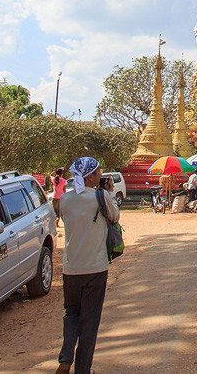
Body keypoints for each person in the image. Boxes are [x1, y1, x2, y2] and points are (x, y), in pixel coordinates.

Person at [53, 157, 119, 374]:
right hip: (95, 268)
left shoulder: (65, 199)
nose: (101, 176)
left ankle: (66, 356)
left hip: (71, 269)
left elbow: (63, 215)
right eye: (99, 173)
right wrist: (108, 192)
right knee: (90, 320)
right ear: (90, 176)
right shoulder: (100, 197)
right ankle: (83, 369)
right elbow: (115, 217)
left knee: (71, 312)